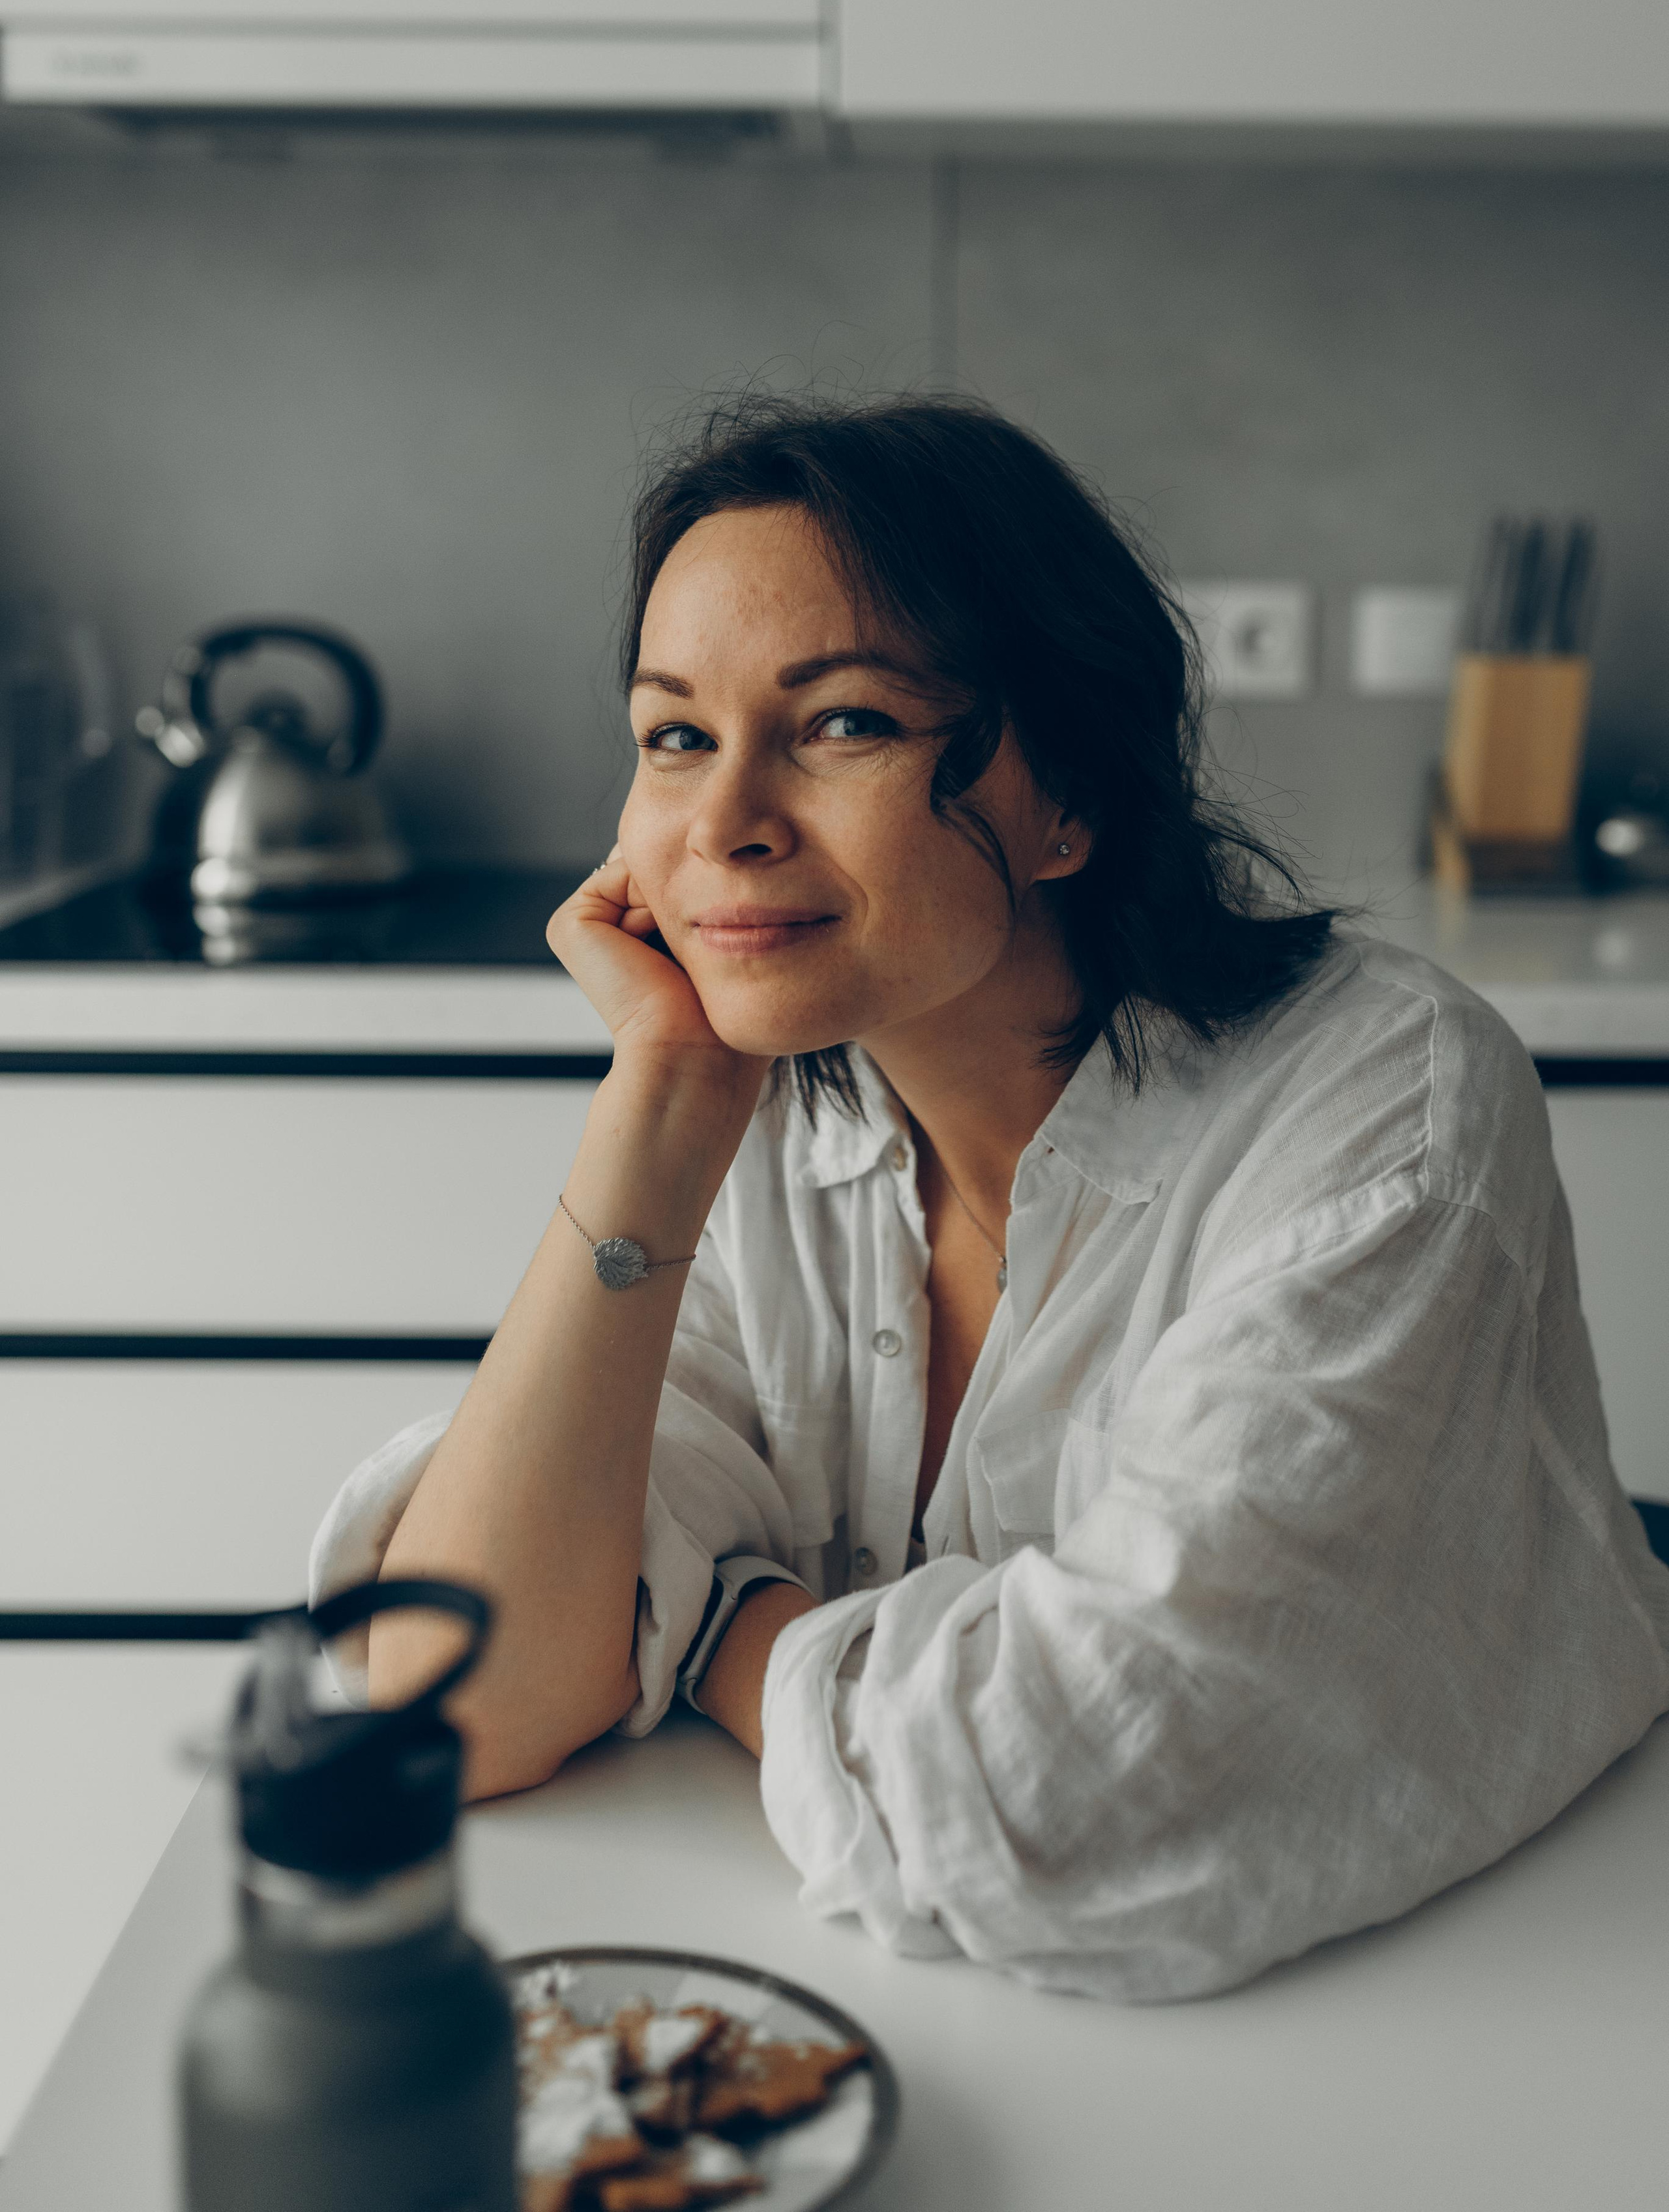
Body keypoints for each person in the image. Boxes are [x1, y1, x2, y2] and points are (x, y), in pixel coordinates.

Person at [313, 395, 1669, 2003]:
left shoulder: (1383, 1110)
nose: (723, 821)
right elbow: (446, 1692)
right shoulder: (762, 1091)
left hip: (1474, 2009)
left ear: (1070, 795)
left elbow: (1073, 1802)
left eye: (842, 725)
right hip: (891, 1989)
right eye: (675, 733)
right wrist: (657, 1112)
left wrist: (706, 1628)